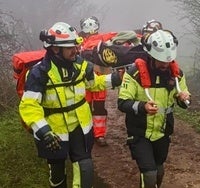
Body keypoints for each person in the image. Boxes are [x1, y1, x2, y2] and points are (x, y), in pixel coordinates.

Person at [19, 22, 122, 188]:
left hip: (80, 128)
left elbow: (94, 84)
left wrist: (116, 79)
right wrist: (44, 131)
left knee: (85, 168)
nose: (75, 50)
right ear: (55, 49)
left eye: (75, 45)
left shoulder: (80, 65)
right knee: (58, 174)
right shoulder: (39, 73)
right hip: (54, 133)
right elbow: (29, 106)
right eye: (70, 47)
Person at [117, 29, 191, 188]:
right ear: (151, 56)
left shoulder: (176, 74)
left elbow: (183, 102)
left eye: (168, 60)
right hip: (139, 131)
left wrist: (183, 99)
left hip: (163, 131)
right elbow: (122, 103)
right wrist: (143, 107)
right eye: (161, 61)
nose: (165, 65)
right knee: (149, 174)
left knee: (158, 171)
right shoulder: (134, 73)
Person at [79, 16, 116, 146]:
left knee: (99, 107)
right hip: (84, 79)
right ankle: (88, 132)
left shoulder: (102, 39)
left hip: (100, 77)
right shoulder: (78, 41)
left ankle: (98, 134)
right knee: (86, 106)